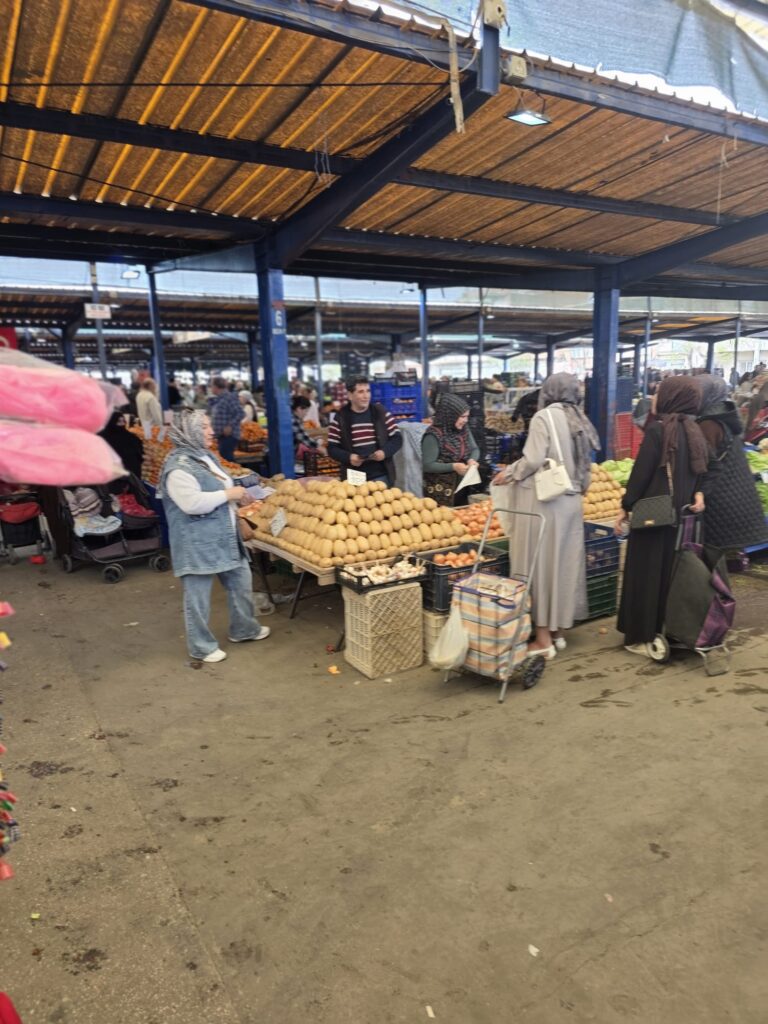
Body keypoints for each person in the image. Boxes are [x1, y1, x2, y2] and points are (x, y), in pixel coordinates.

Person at [492, 373, 600, 659]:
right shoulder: (578, 417)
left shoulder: (544, 417)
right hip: (572, 502)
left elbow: (534, 459)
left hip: (547, 503)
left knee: (540, 567)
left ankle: (542, 640)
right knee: (563, 567)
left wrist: (509, 473)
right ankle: (557, 632)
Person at [159, 411, 270, 664]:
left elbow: (221, 486)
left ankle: (244, 629)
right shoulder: (177, 468)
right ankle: (201, 646)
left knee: (241, 581)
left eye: (209, 426)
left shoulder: (205, 456)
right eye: (204, 427)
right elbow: (191, 503)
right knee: (197, 596)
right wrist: (229, 494)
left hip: (224, 535)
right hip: (197, 542)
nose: (211, 431)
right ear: (189, 432)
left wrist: (238, 496)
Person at [615, 377, 707, 655]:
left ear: (671, 397)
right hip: (680, 518)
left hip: (653, 515)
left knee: (644, 574)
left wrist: (626, 505)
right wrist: (699, 494)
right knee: (667, 575)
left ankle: (640, 638)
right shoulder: (695, 430)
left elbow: (640, 474)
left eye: (658, 393)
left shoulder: (658, 430)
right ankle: (664, 629)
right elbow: (703, 471)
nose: (654, 398)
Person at [695, 374, 768, 550]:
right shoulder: (723, 415)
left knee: (717, 555)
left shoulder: (708, 423)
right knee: (727, 554)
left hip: (720, 498)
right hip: (735, 496)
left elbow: (704, 462)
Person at [327, 377, 402, 485]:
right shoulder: (341, 417)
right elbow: (332, 448)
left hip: (380, 474)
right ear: (350, 395)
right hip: (355, 475)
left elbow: (397, 438)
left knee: (382, 496)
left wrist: (384, 452)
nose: (366, 396)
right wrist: (349, 457)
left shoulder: (380, 412)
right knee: (358, 497)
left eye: (368, 391)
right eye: (361, 392)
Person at [421, 393, 480, 506]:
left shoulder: (463, 429)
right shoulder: (433, 435)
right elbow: (427, 465)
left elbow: (474, 449)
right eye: (462, 417)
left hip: (461, 487)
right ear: (450, 416)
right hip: (439, 491)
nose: (466, 420)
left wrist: (472, 460)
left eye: (467, 416)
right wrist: (453, 466)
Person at [98, 410, 144, 479]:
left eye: (123, 421)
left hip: (131, 474)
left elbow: (139, 453)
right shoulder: (104, 438)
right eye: (119, 421)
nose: (122, 424)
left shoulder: (130, 437)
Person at [209, 376, 243, 461]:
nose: (210, 388)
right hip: (221, 436)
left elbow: (240, 413)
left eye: (211, 385)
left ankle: (234, 470)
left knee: (227, 460)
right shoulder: (219, 398)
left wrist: (230, 426)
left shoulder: (229, 397)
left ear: (216, 387)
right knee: (225, 459)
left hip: (229, 436)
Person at [292, 395, 327, 460]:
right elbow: (304, 438)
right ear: (299, 409)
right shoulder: (294, 420)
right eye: (306, 411)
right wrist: (323, 450)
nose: (306, 414)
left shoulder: (294, 418)